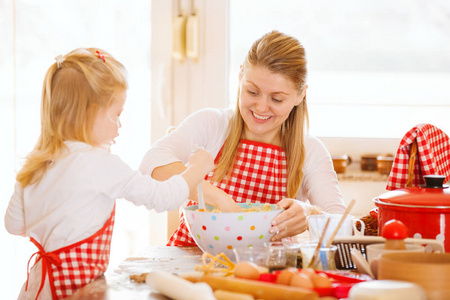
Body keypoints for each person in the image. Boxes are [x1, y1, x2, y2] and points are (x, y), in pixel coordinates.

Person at [4, 48, 214, 300]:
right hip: (75, 292)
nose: (120, 124)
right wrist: (196, 170)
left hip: (35, 288)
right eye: (117, 114)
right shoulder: (99, 164)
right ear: (89, 113)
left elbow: (13, 225)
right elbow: (162, 197)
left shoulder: (34, 166)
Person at [139, 30, 347, 247]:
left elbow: (342, 224)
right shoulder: (213, 124)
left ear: (300, 95)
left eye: (276, 99)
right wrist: (220, 199)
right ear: (240, 77)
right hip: (192, 263)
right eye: (252, 92)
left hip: (265, 274)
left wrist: (310, 214)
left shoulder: (310, 150)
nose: (261, 107)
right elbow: (151, 163)